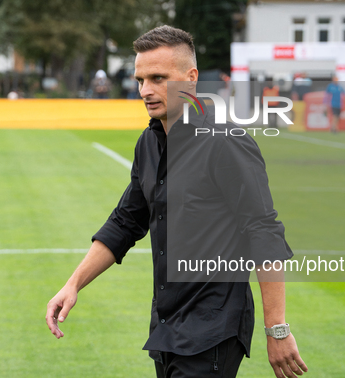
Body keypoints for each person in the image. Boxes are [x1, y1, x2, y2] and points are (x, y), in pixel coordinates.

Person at [46, 26, 307, 378]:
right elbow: (125, 222)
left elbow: (263, 231)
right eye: (140, 80)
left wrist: (276, 328)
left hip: (212, 329)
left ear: (191, 77)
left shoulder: (225, 142)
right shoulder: (149, 143)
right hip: (166, 327)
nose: (146, 90)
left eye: (158, 78)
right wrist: (73, 284)